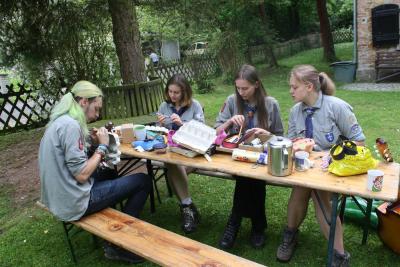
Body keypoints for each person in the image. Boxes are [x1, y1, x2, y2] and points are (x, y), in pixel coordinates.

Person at [39, 81, 152, 264]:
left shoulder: (59, 122)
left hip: (58, 196)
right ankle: (118, 245)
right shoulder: (71, 126)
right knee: (143, 180)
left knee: (109, 174)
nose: (97, 115)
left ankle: (115, 226)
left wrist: (90, 145)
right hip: (73, 202)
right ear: (84, 101)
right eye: (96, 109)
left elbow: (72, 162)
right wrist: (101, 146)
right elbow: (82, 175)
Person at [276, 65, 365, 266]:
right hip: (305, 169)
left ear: (308, 86)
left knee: (320, 197)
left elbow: (359, 142)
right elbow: (292, 142)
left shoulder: (337, 107)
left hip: (333, 169)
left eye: (293, 87)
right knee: (300, 189)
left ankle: (339, 255)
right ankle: (290, 235)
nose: (290, 91)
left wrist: (330, 155)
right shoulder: (295, 112)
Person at [215, 64, 284, 249]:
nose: (241, 92)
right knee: (249, 178)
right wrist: (230, 121)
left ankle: (234, 223)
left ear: (256, 84)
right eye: (238, 88)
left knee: (250, 178)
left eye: (245, 88)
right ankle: (258, 226)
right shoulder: (232, 101)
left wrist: (265, 133)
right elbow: (216, 131)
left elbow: (281, 137)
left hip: (261, 157)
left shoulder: (270, 104)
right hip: (235, 156)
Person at [157, 74, 205, 233]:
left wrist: (182, 124)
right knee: (171, 164)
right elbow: (161, 133)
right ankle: (188, 207)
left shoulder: (195, 106)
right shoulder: (164, 106)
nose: (172, 95)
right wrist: (161, 124)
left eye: (176, 92)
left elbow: (202, 132)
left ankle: (187, 208)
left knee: (172, 169)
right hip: (173, 151)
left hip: (192, 151)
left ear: (185, 92)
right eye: (170, 91)